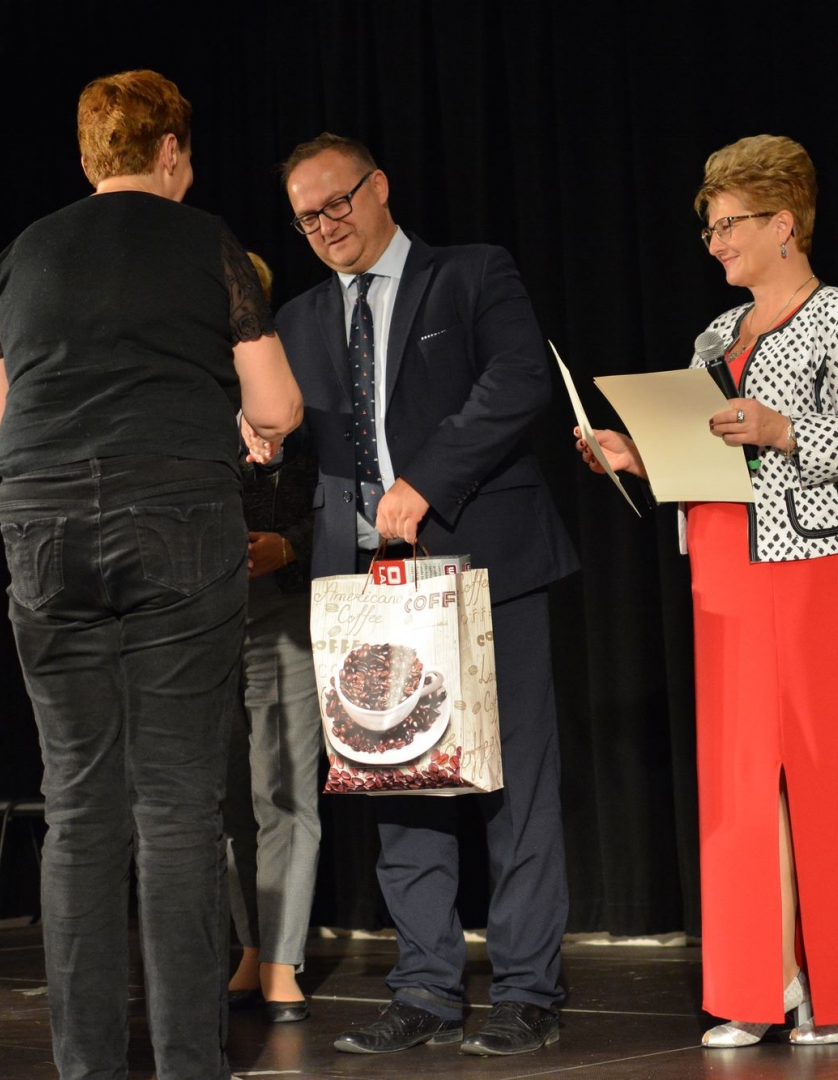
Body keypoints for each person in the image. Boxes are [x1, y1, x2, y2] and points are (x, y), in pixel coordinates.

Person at [0, 69, 301, 1080]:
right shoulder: (209, 244)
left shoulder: (21, 255)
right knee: (178, 804)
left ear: (87, 158)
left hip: (43, 525)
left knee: (77, 806)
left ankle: (89, 1068)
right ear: (171, 152)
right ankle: (191, 1064)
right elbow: (276, 409)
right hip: (177, 518)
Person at [578, 135, 838, 1046]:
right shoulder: (716, 335)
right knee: (737, 786)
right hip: (725, 563)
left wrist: (783, 428)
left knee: (829, 773)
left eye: (729, 224)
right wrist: (637, 455)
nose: (716, 242)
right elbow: (707, 454)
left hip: (819, 565)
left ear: (784, 224)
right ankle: (762, 985)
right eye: (711, 228)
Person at [266, 132, 579, 1056]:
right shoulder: (298, 319)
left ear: (379, 187)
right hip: (369, 584)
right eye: (306, 218)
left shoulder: (470, 274)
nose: (326, 227)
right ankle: (427, 988)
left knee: (514, 785)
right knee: (399, 783)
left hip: (487, 565)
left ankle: (527, 990)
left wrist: (427, 482)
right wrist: (261, 437)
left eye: (337, 204)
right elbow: (301, 441)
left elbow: (519, 380)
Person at [223, 252, 322, 1023]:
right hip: (201, 616)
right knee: (222, 796)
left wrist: (290, 546)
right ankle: (252, 944)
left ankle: (284, 957)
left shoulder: (301, 387)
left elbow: (344, 498)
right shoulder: (184, 393)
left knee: (283, 787)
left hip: (284, 609)